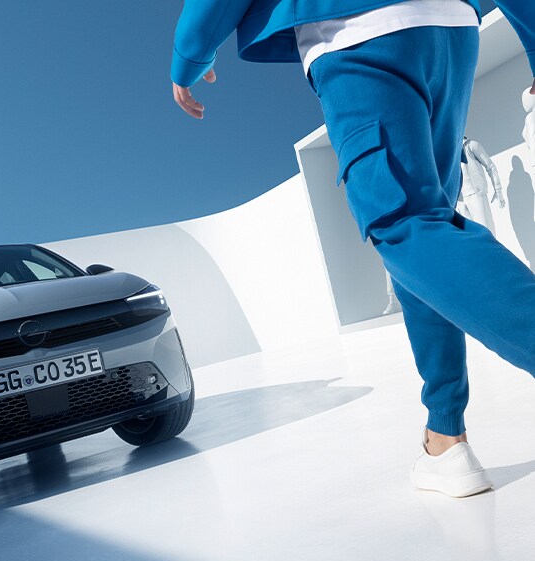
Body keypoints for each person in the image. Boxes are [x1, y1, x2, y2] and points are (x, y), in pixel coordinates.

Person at [170, 0, 535, 497]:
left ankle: (447, 435)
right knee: (428, 228)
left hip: (357, 31)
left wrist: (190, 56)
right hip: (451, 30)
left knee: (405, 225)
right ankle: (445, 438)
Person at [456, 135, 506, 234]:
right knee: (471, 233)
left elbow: (490, 167)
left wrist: (498, 190)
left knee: (485, 230)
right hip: (463, 198)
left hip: (477, 195)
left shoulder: (472, 145)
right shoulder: (453, 152)